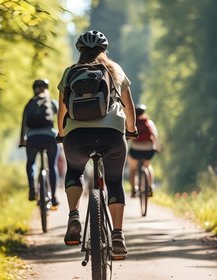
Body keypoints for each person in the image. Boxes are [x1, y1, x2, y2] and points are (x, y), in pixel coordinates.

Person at [56, 30, 138, 258]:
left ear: (80, 51)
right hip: (111, 135)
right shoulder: (115, 70)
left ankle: (74, 215)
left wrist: (62, 134)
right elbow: (129, 107)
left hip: (76, 136)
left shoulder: (70, 72)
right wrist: (131, 130)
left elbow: (62, 110)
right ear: (104, 50)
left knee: (74, 170)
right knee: (114, 181)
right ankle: (118, 236)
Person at [19, 79, 60, 207]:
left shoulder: (29, 104)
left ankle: (32, 189)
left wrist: (22, 140)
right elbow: (60, 118)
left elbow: (24, 124)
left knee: (30, 163)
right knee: (52, 165)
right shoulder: (51, 102)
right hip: (50, 138)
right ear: (46, 88)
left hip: (32, 139)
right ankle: (53, 197)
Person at [127, 104, 159, 198]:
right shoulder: (149, 122)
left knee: (132, 169)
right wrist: (156, 147)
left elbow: (128, 137)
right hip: (149, 149)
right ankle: (149, 187)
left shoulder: (132, 122)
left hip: (135, 150)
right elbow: (155, 136)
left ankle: (133, 190)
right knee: (148, 166)